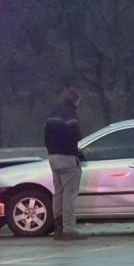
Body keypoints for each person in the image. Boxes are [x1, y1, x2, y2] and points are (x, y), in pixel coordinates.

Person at [45, 87, 87, 240]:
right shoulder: (70, 113)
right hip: (67, 157)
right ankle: (69, 229)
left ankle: (58, 229)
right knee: (70, 194)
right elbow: (76, 134)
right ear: (75, 99)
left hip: (53, 156)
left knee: (59, 193)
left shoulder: (52, 113)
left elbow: (46, 135)